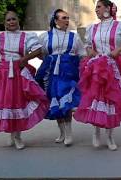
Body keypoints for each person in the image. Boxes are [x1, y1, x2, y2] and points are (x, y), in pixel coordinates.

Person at [73, 0, 121, 151]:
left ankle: (109, 136)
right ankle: (96, 132)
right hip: (95, 67)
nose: (96, 10)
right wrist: (93, 53)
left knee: (111, 99)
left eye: (99, 7)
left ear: (108, 8)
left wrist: (117, 50)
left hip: (113, 66)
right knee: (95, 98)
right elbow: (88, 46)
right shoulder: (92, 28)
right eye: (95, 7)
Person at [0, 10, 49, 150]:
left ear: (18, 21)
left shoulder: (26, 36)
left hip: (19, 74)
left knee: (18, 103)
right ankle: (11, 134)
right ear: (4, 23)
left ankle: (17, 136)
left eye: (14, 19)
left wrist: (25, 58)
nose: (11, 22)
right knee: (6, 104)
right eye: (8, 20)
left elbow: (38, 49)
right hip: (2, 75)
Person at [35, 9, 86, 146]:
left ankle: (69, 133)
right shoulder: (45, 36)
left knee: (66, 101)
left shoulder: (73, 37)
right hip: (51, 72)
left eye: (68, 18)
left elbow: (82, 54)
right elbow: (39, 52)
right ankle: (62, 132)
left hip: (68, 72)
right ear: (55, 20)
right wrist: (49, 60)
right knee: (55, 100)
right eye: (63, 18)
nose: (67, 20)